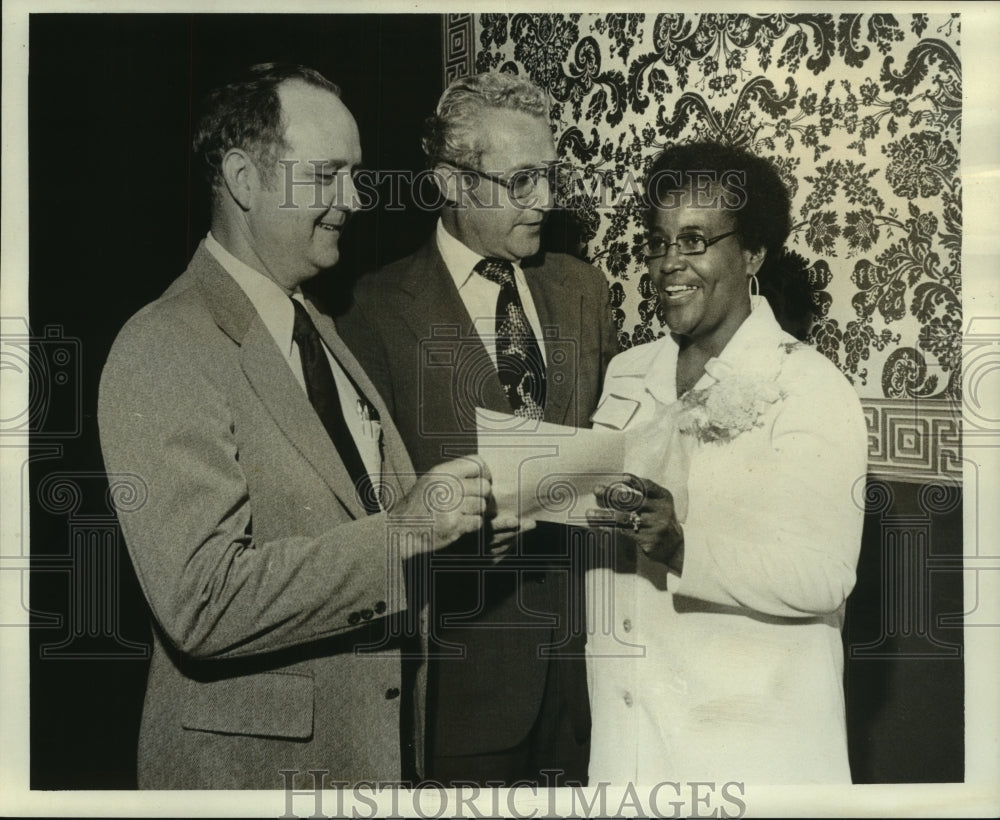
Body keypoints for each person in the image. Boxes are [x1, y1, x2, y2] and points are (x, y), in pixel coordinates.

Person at [97, 63, 498, 789]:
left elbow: (348, 522)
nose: (353, 199)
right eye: (327, 176)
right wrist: (403, 531)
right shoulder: (163, 344)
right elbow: (201, 601)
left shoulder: (317, 324)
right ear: (245, 180)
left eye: (356, 175)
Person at [337, 71, 618, 786]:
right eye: (521, 180)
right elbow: (360, 505)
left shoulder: (583, 290)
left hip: (591, 680)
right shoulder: (368, 311)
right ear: (452, 183)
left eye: (549, 175)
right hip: (462, 686)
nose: (546, 201)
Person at [586, 141, 868, 784]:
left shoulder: (811, 387)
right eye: (657, 243)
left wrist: (684, 547)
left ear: (752, 253)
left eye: (695, 240)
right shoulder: (627, 373)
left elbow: (825, 576)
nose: (667, 264)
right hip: (630, 728)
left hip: (753, 740)